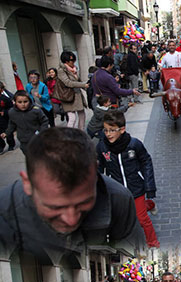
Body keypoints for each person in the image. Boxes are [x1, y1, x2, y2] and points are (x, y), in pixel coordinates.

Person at [0, 128, 140, 264]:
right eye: (55, 207)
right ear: (28, 184)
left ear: (95, 172)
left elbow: (124, 241)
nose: (71, 220)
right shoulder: (5, 212)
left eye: (84, 203)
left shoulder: (119, 199)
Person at [97, 109, 159, 248]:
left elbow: (146, 162)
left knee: (142, 219)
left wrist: (149, 186)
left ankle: (153, 242)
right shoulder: (101, 147)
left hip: (136, 187)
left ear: (122, 129)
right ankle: (148, 205)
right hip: (118, 190)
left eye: (112, 130)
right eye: (106, 130)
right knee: (119, 217)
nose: (108, 134)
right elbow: (99, 169)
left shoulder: (134, 144)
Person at [2, 90, 48, 154]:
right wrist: (6, 133)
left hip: (37, 138)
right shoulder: (12, 112)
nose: (23, 104)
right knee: (29, 157)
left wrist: (42, 132)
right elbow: (12, 124)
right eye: (19, 102)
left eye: (25, 102)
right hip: (24, 140)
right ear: (15, 102)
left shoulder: (35, 110)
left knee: (40, 157)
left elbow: (44, 121)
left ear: (30, 101)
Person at [56, 51, 88, 130]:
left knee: (82, 115)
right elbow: (68, 83)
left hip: (77, 95)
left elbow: (78, 80)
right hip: (68, 96)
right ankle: (69, 136)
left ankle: (81, 133)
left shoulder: (74, 69)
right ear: (66, 61)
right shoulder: (61, 70)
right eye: (71, 60)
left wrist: (86, 88)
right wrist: (83, 85)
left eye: (74, 60)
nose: (73, 62)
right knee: (72, 117)